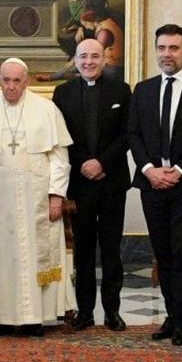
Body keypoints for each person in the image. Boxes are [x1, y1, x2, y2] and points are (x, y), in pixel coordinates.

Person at [0, 58, 75, 336]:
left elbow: (60, 159)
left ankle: (35, 316)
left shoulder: (47, 109)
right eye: (5, 80)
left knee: (35, 255)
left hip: (36, 197)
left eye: (17, 81)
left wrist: (55, 196)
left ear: (26, 82)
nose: (11, 87)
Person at [127, 25, 182, 346]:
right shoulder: (143, 89)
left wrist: (179, 170)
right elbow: (133, 134)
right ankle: (172, 314)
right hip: (152, 185)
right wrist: (149, 169)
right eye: (161, 48)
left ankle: (179, 318)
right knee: (163, 251)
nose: (167, 54)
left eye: (174, 48)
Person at [52, 37, 132, 330]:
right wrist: (85, 162)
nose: (89, 62)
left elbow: (127, 135)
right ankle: (85, 312)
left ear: (104, 59)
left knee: (111, 249)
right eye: (83, 56)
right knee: (83, 250)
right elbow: (60, 137)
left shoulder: (122, 91)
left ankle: (112, 311)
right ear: (75, 59)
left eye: (94, 56)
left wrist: (102, 163)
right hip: (79, 184)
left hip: (112, 181)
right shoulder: (62, 93)